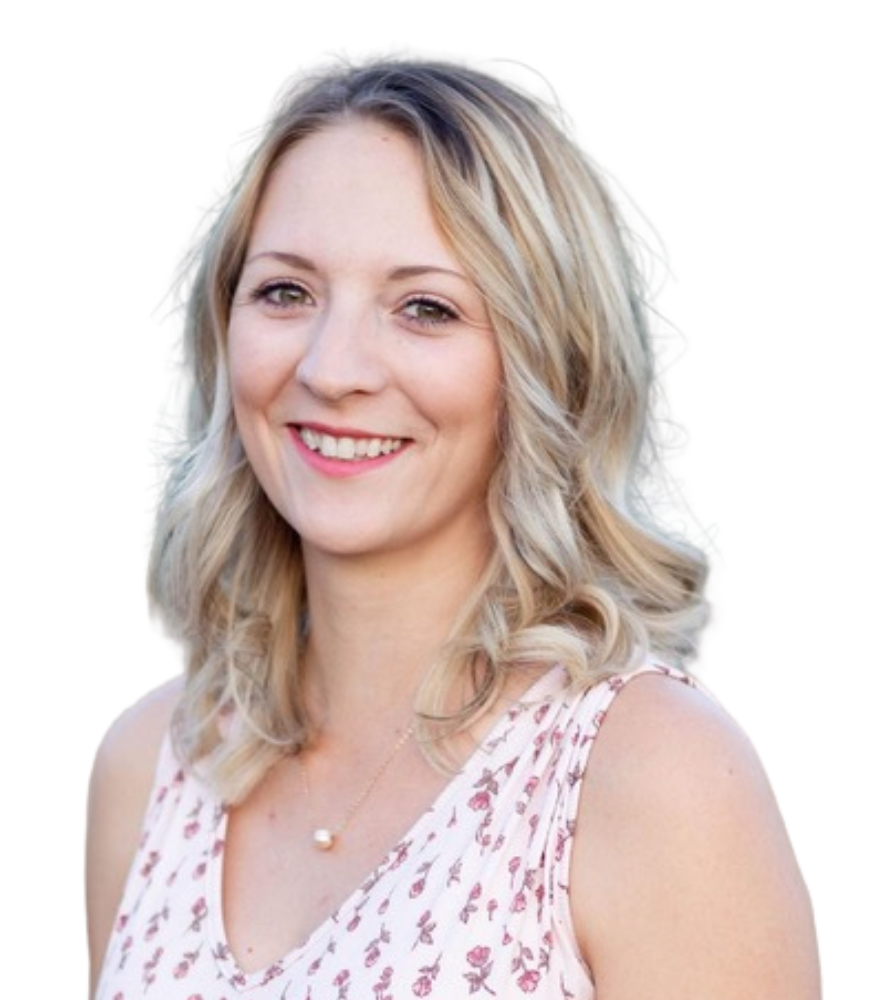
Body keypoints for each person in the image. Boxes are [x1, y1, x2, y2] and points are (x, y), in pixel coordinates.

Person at [84, 46, 823, 999]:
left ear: (542, 362)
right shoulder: (150, 766)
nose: (331, 367)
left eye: (425, 308)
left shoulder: (647, 778)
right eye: (286, 292)